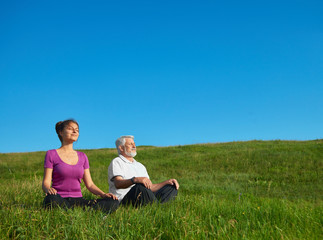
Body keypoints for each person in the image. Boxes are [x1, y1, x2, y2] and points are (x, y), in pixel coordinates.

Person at [42, 119, 119, 213]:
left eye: (77, 130)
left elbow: (90, 185)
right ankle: (81, 212)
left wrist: (103, 194)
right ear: (61, 132)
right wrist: (48, 189)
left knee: (113, 201)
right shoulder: (51, 154)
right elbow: (46, 182)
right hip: (59, 198)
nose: (75, 131)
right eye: (70, 129)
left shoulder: (83, 156)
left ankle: (75, 212)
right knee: (51, 199)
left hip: (79, 200)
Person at [108, 135, 179, 207]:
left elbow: (149, 187)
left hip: (142, 195)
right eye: (130, 144)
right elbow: (118, 183)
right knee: (139, 187)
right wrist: (135, 180)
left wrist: (166, 182)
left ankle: (160, 208)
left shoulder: (140, 166)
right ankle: (157, 207)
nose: (134, 146)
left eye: (134, 144)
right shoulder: (117, 161)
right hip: (124, 200)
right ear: (121, 148)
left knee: (171, 187)